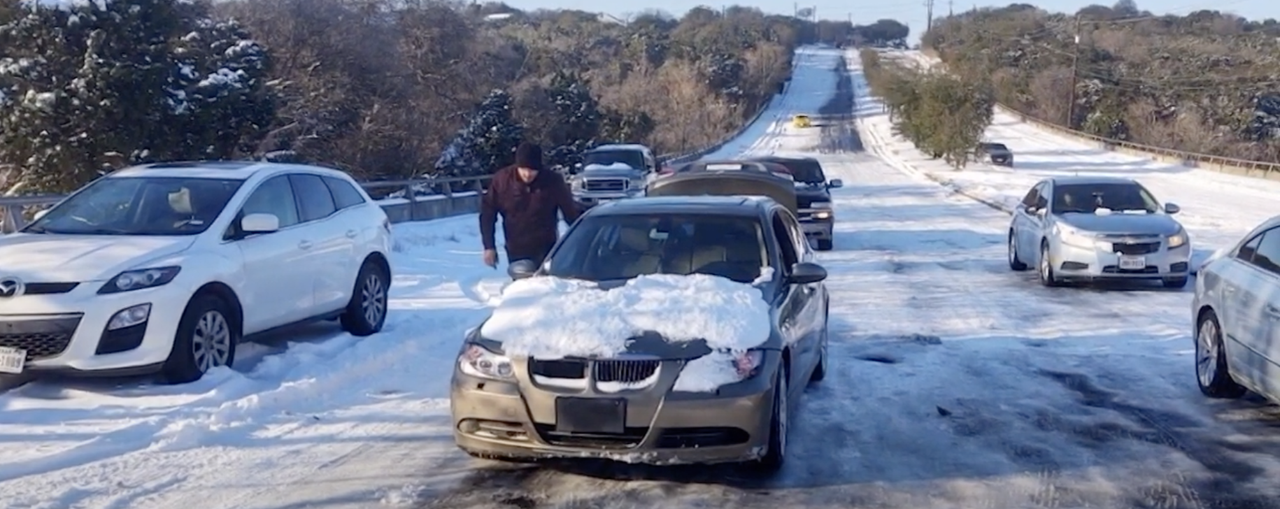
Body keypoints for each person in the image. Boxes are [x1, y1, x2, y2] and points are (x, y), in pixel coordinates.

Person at [479, 142, 581, 271]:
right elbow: (488, 213)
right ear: (517, 166)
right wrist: (489, 246)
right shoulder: (502, 181)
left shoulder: (553, 181)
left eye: (532, 170)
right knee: (523, 287)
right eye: (524, 170)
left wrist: (581, 239)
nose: (528, 174)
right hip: (516, 249)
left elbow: (569, 212)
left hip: (547, 248)